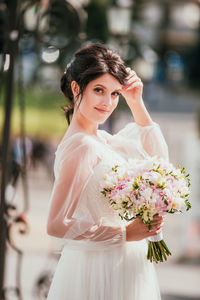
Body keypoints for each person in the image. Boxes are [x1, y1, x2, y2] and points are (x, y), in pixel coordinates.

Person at [46, 42, 168, 300]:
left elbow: (159, 161)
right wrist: (124, 233)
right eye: (99, 90)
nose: (108, 102)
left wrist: (135, 101)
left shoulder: (103, 140)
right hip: (97, 268)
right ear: (77, 88)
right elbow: (56, 224)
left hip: (123, 263)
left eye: (114, 94)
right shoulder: (81, 146)